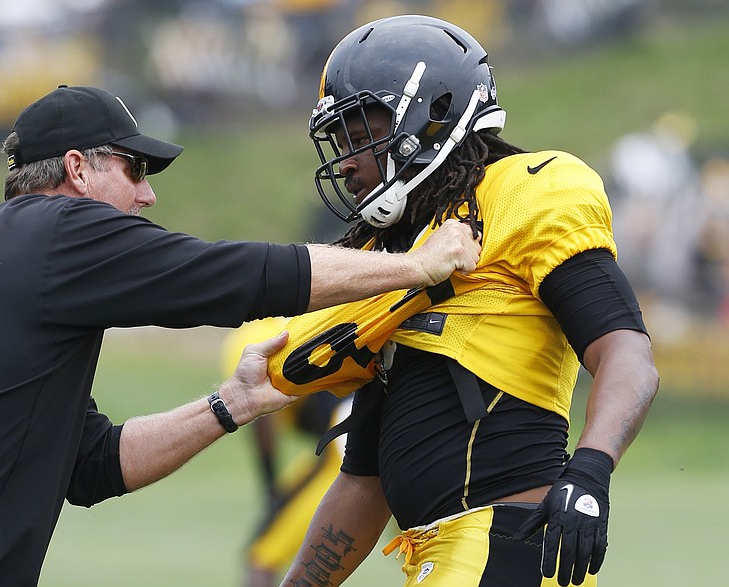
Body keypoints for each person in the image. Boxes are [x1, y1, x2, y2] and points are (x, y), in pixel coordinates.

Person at [0, 84, 482, 587]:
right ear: (77, 169)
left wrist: (231, 403)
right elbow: (238, 278)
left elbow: (93, 464)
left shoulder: (5, 255)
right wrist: (416, 265)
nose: (148, 196)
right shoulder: (54, 231)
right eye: (136, 169)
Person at [269, 15, 659, 587]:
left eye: (359, 135)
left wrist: (591, 472)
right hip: (442, 558)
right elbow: (363, 480)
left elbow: (626, 352)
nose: (346, 160)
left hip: (505, 543)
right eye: (341, 143)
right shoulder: (401, 256)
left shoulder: (520, 197)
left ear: (430, 114)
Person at [222, 318, 354, 587]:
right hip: (394, 426)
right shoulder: (316, 310)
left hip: (349, 436)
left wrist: (270, 485)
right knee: (424, 538)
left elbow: (258, 418)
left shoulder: (254, 336)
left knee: (263, 554)